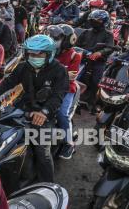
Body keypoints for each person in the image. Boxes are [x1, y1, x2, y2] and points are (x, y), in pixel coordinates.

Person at [0, 35, 69, 182]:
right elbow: (7, 83)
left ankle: (47, 186)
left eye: (38, 54)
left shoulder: (59, 70)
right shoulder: (23, 67)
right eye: (31, 53)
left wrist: (44, 112)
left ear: (49, 54)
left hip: (45, 114)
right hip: (22, 109)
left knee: (42, 151)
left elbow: (58, 96)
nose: (33, 57)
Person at [45, 25, 81, 159]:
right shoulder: (49, 51)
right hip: (47, 86)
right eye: (53, 37)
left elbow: (71, 76)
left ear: (67, 39)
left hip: (66, 90)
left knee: (61, 114)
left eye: (57, 38)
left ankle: (69, 144)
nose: (53, 40)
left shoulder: (74, 56)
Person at [76, 10, 115, 114]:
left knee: (96, 82)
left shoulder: (108, 34)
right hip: (83, 60)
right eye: (93, 19)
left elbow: (110, 47)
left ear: (104, 21)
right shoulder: (86, 32)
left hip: (98, 62)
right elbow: (76, 45)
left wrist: (100, 53)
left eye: (98, 20)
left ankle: (94, 104)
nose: (95, 22)